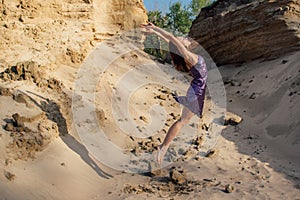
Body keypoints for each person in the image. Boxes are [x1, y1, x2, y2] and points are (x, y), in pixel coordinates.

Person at [141, 22, 208, 164]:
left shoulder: (188, 56)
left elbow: (170, 41)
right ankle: (163, 147)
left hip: (197, 89)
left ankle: (163, 146)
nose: (182, 38)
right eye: (181, 39)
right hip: (197, 90)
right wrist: (154, 29)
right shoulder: (189, 56)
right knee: (183, 121)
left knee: (184, 120)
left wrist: (155, 33)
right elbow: (171, 37)